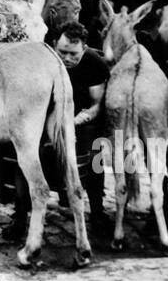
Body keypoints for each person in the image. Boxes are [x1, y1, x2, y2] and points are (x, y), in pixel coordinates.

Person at [7, 22, 109, 240]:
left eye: (74, 54)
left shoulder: (94, 64)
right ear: (54, 45)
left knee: (95, 157)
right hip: (43, 119)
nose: (68, 59)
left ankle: (98, 213)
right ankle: (20, 217)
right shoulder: (43, 60)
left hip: (82, 123)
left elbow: (97, 104)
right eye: (63, 52)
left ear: (85, 48)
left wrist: (79, 119)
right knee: (23, 156)